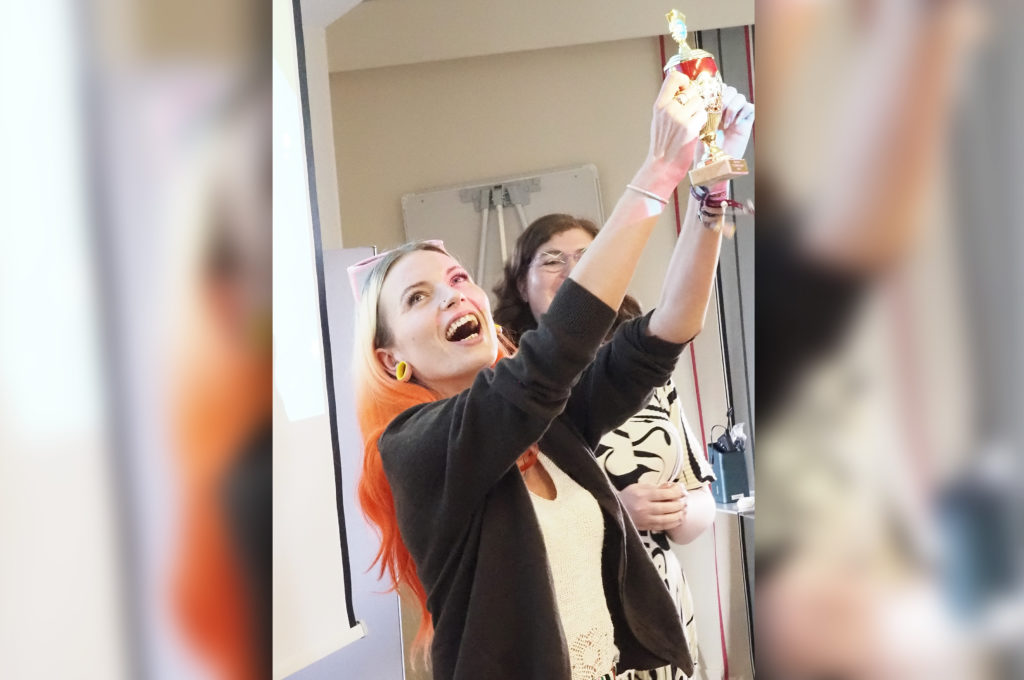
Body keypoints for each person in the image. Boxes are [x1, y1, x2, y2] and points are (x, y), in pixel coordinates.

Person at [350, 70, 721, 680]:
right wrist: (658, 171)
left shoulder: (545, 424)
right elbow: (545, 365)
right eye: (417, 298)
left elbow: (662, 335)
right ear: (392, 359)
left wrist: (709, 196)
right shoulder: (415, 447)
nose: (451, 295)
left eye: (457, 279)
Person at [492, 85, 753, 680]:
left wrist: (712, 187)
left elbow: (677, 323)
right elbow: (510, 530)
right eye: (552, 260)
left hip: (662, 617)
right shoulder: (508, 391)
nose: (575, 269)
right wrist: (613, 511)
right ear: (521, 285)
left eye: (590, 256)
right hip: (576, 628)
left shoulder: (637, 370)